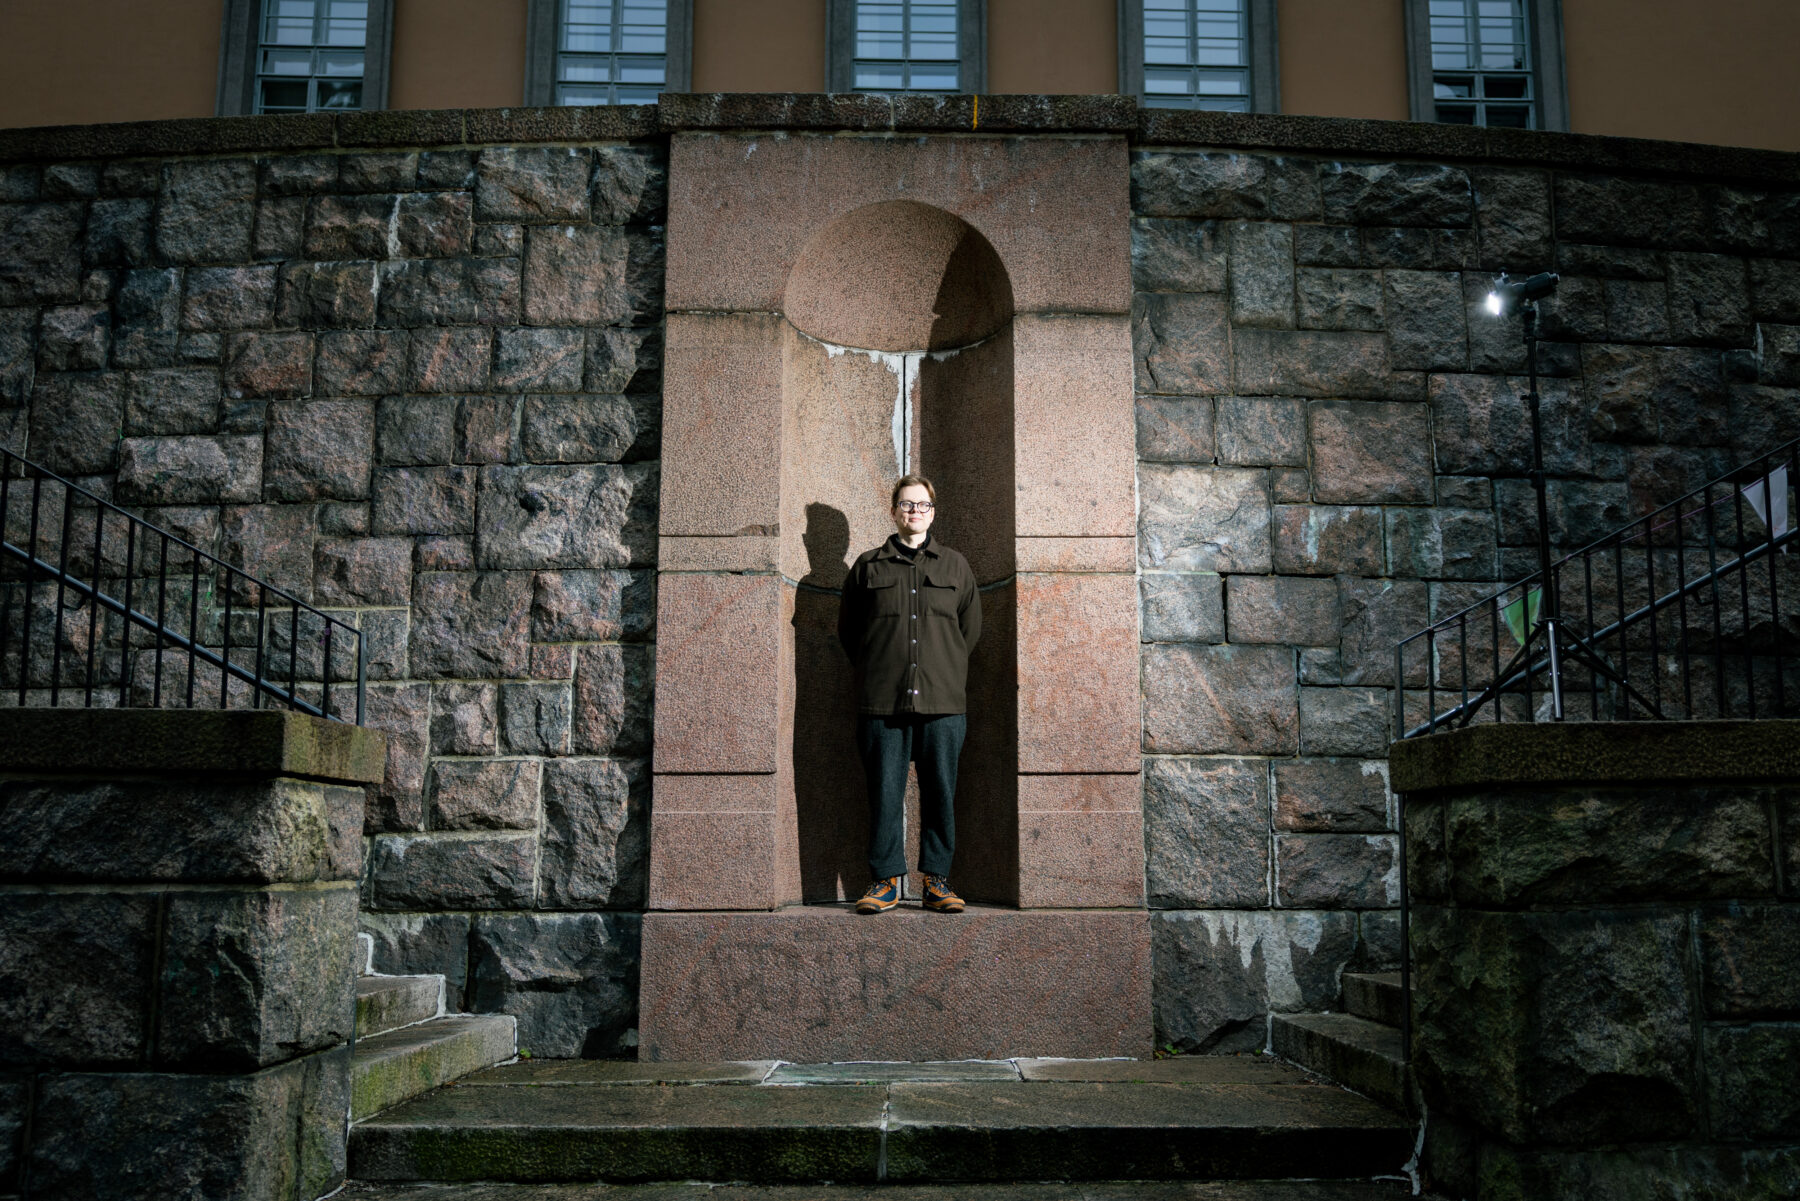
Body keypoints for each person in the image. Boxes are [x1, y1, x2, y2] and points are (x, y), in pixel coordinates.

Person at [836, 474, 981, 914]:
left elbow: (969, 632)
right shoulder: (867, 567)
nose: (914, 511)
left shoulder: (956, 566)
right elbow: (850, 633)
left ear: (932, 512)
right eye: (906, 504)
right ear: (894, 510)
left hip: (943, 703)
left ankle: (937, 881)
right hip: (883, 700)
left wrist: (943, 668)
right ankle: (884, 882)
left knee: (940, 791)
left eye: (922, 504)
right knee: (884, 791)